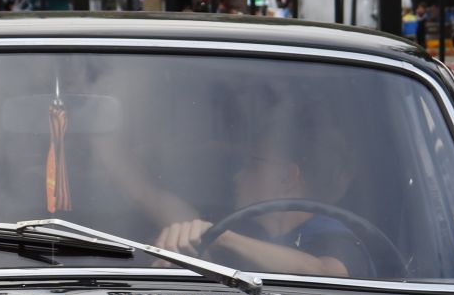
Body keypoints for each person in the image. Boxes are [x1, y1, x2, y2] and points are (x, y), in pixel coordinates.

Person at [153, 117, 372, 278]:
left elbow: (327, 272)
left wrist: (223, 238)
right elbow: (161, 202)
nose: (237, 176)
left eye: (251, 164)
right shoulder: (252, 230)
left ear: (286, 178)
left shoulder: (335, 237)